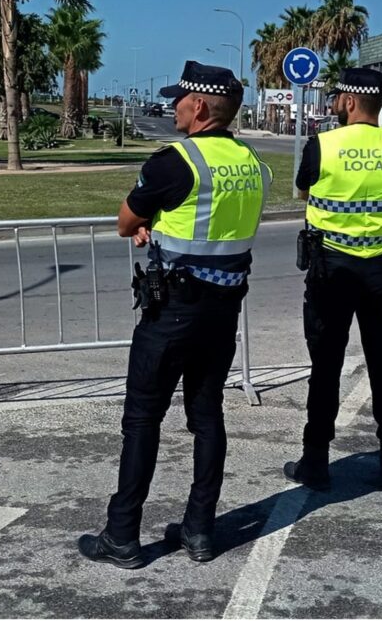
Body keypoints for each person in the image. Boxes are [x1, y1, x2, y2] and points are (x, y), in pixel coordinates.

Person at [78, 61, 272, 568]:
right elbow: (209, 228)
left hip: (173, 314)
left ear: (201, 107)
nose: (174, 107)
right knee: (207, 417)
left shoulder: (175, 160)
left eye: (180, 100)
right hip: (223, 314)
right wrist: (157, 229)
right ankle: (200, 531)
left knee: (142, 419)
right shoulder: (253, 163)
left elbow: (125, 221)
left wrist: (145, 227)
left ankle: (122, 535)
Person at [286, 67, 382, 492]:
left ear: (350, 101)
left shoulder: (322, 144)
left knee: (326, 366)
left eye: (338, 95)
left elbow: (305, 190)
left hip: (332, 269)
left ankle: (316, 462)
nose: (334, 101)